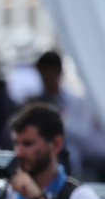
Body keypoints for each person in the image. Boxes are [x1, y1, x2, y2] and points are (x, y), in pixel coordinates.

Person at [34, 51, 105, 180]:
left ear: (59, 72)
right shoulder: (36, 103)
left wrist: (63, 123)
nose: (48, 81)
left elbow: (84, 132)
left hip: (75, 163)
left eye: (51, 75)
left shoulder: (75, 101)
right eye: (44, 76)